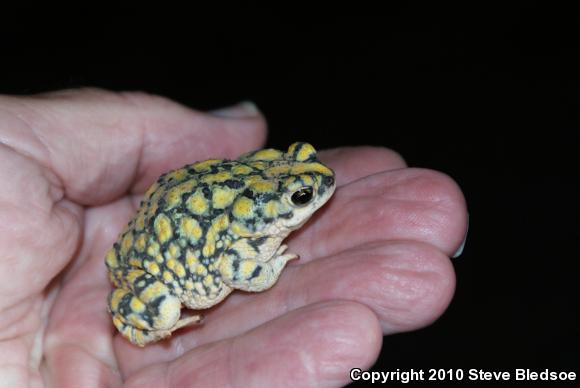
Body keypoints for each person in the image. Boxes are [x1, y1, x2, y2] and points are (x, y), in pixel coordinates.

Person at [0, 88, 467, 387]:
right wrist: (270, 266)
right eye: (304, 196)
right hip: (151, 271)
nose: (322, 185)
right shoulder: (249, 228)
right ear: (269, 213)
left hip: (159, 225)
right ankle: (152, 322)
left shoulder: (255, 195)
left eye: (301, 165)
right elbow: (239, 271)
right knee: (161, 306)